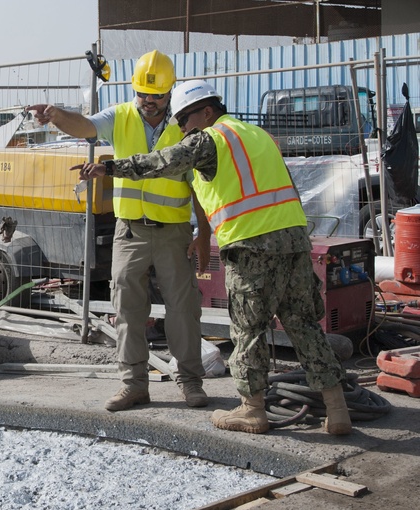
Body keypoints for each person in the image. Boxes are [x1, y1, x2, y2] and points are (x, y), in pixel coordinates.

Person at [75, 79, 352, 436]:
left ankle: (252, 409)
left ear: (206, 111)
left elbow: (162, 162)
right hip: (295, 242)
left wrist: (110, 168)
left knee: (248, 330)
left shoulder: (211, 139)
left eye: (185, 119)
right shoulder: (256, 134)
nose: (182, 128)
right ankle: (337, 410)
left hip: (252, 245)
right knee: (304, 326)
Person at [27, 50, 209, 412]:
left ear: (169, 91)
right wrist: (57, 116)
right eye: (143, 94)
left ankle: (190, 382)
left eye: (156, 96)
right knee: (126, 309)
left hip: (173, 232)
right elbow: (87, 127)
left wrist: (202, 234)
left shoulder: (183, 123)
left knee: (182, 310)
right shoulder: (122, 115)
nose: (149, 102)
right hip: (130, 233)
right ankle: (133, 385)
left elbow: (199, 186)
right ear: (135, 90)